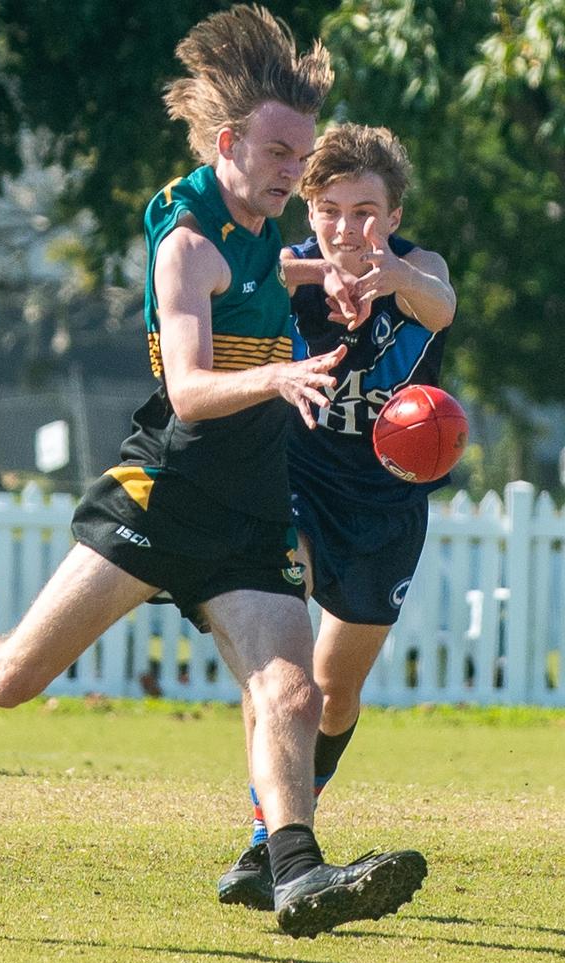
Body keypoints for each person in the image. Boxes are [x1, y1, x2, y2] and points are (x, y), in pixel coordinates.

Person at [0, 8, 426, 939]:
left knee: (291, 690)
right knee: (14, 676)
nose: (298, 172)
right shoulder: (187, 245)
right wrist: (282, 373)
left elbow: (279, 270)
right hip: (163, 497)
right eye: (283, 153)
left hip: (247, 514)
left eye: (303, 155)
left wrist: (319, 281)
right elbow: (190, 391)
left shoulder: (259, 224)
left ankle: (293, 869)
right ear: (228, 143)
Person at [217, 122, 456, 911]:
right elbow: (263, 269)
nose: (348, 227)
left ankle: (276, 834)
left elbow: (442, 304)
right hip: (292, 485)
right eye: (330, 208)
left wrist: (386, 279)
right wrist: (324, 272)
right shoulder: (286, 274)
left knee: (336, 694)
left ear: (392, 215)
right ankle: (273, 846)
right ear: (309, 210)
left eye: (366, 210)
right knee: (280, 672)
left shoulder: (419, 269)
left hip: (383, 511)